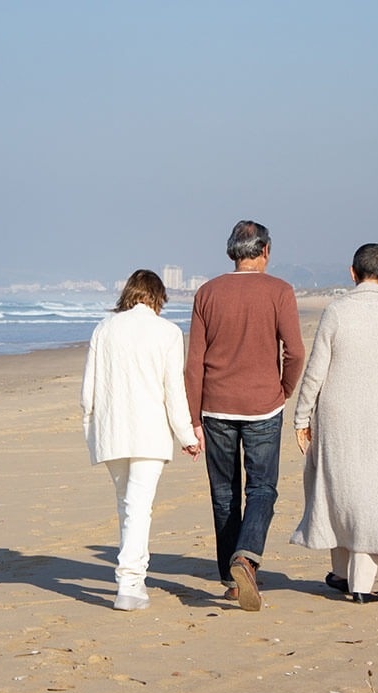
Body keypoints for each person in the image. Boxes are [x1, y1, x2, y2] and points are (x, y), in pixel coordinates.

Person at [289, 243, 378, 603]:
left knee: (338, 488)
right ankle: (358, 582)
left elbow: (315, 372)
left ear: (352, 272)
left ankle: (343, 573)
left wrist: (302, 418)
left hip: (336, 416)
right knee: (377, 495)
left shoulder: (337, 311)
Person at [185, 221, 306, 611]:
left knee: (224, 493)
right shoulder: (280, 291)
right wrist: (284, 389)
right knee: (262, 489)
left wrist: (193, 417)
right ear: (265, 250)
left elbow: (194, 363)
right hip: (262, 405)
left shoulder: (207, 292)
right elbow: (296, 352)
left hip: (216, 404)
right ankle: (245, 557)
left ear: (231, 252)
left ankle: (232, 578)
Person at [81, 269, 201, 611]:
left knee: (127, 506)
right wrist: (186, 433)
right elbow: (173, 391)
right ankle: (129, 584)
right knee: (137, 508)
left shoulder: (104, 329)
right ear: (157, 297)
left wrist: (91, 433)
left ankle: (134, 578)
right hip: (148, 434)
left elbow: (88, 390)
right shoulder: (167, 332)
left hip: (111, 432)